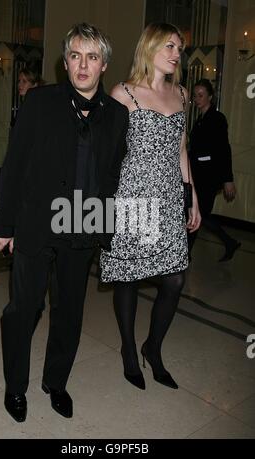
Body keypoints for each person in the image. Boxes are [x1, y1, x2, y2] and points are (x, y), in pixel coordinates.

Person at [0, 23, 128, 423]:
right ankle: (16, 387)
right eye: (75, 56)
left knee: (69, 310)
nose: (82, 65)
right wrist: (5, 225)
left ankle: (56, 382)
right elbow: (15, 166)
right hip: (36, 222)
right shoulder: (39, 102)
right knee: (23, 308)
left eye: (92, 57)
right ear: (64, 61)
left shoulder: (117, 116)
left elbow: (112, 177)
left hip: (82, 226)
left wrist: (107, 228)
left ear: (103, 65)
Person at [100, 23, 201, 391]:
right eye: (170, 45)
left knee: (174, 279)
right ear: (151, 47)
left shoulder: (182, 94)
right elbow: (106, 154)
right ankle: (129, 350)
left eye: (180, 47)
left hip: (170, 198)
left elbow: (181, 149)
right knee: (127, 278)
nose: (177, 53)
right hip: (132, 199)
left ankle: (152, 348)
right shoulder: (123, 93)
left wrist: (193, 199)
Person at [188, 79, 240, 262]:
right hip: (198, 176)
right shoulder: (200, 119)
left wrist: (228, 179)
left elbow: (224, 150)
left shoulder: (217, 119)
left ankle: (186, 254)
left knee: (199, 215)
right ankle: (229, 242)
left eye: (201, 95)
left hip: (208, 177)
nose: (197, 98)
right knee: (200, 214)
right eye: (195, 95)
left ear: (210, 96)